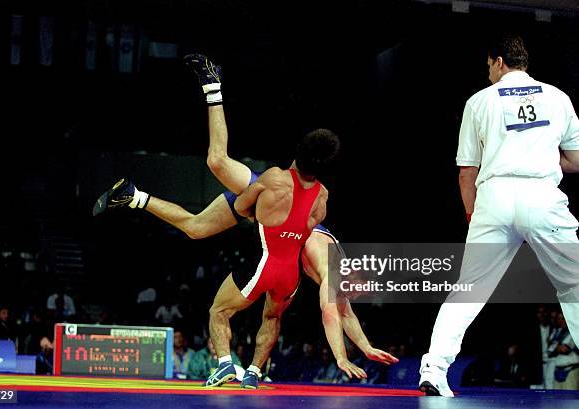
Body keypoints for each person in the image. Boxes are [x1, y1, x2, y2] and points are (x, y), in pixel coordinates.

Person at [93, 55, 396, 386]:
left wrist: (362, 347)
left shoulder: (329, 250)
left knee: (199, 219)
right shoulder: (322, 222)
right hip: (277, 227)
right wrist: (345, 354)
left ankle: (136, 195)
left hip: (272, 214)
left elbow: (342, 312)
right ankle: (212, 86)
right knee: (215, 168)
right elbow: (335, 312)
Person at [419, 34, 579, 397]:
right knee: (574, 284)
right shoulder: (557, 97)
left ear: (498, 61)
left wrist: (475, 213)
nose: (487, 70)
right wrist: (538, 156)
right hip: (542, 195)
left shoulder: (479, 101)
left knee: (470, 288)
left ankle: (434, 369)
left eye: (488, 64)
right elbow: (575, 160)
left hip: (494, 197)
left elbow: (466, 171)